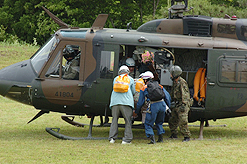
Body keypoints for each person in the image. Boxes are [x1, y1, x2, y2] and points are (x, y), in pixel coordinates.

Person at [135, 71, 171, 144]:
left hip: (153, 105)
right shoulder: (159, 85)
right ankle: (160, 138)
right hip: (162, 105)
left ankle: (152, 140)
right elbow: (167, 97)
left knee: (148, 123)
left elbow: (140, 102)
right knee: (159, 122)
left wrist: (136, 112)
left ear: (145, 80)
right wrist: (168, 107)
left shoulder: (144, 88)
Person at [109, 65, 135, 144]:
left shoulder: (116, 79)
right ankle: (126, 139)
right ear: (128, 71)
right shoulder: (130, 79)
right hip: (126, 103)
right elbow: (133, 91)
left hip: (115, 102)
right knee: (127, 121)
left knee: (114, 120)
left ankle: (112, 138)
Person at [168, 65, 191, 142]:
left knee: (183, 121)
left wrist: (184, 105)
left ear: (175, 74)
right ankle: (174, 134)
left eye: (171, 74)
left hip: (182, 104)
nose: (170, 75)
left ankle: (187, 136)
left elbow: (185, 95)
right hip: (177, 104)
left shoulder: (182, 82)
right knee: (172, 120)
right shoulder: (175, 82)